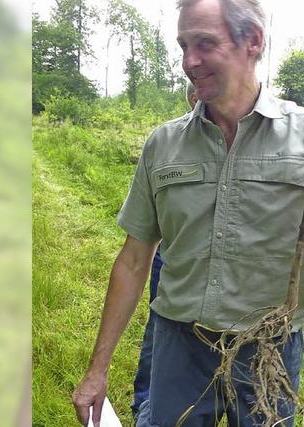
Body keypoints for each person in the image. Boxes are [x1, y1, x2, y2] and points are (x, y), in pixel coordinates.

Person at [72, 0, 304, 425]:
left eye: (204, 43)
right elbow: (133, 262)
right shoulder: (162, 145)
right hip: (179, 345)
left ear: (253, 42)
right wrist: (97, 370)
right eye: (183, 44)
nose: (189, 61)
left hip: (269, 351)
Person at [130, 81, 198, 417]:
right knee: (159, 327)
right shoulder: (171, 141)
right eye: (194, 96)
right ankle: (146, 402)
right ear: (190, 99)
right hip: (168, 257)